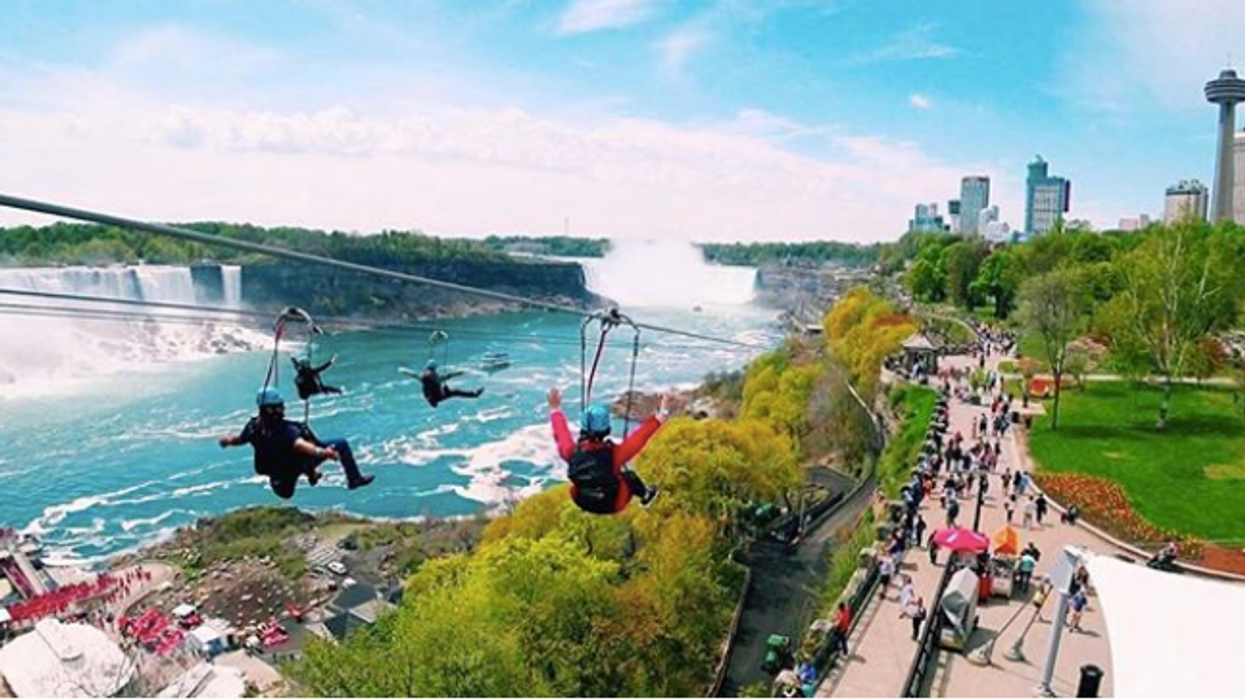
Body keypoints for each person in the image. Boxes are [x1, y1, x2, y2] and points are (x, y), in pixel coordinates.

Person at [219, 388, 374, 498]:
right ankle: (353, 479)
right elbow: (299, 445)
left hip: (275, 470)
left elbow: (240, 439)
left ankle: (310, 473)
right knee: (340, 444)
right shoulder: (286, 429)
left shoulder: (253, 427)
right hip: (294, 465)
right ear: (274, 409)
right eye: (280, 406)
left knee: (287, 488)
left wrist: (227, 441)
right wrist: (323, 452)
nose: (283, 408)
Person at [548, 387, 663, 514]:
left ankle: (589, 504)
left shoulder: (571, 452)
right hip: (613, 504)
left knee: (585, 482)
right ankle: (646, 495)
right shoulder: (615, 454)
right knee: (629, 477)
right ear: (607, 429)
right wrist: (662, 415)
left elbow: (560, 432)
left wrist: (555, 409)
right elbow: (639, 438)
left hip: (582, 500)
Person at [406, 359, 484, 408]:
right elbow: (448, 376)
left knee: (451, 391)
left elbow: (414, 375)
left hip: (432, 397)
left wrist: (404, 371)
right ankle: (474, 394)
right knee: (455, 392)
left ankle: (474, 394)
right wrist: (459, 373)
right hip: (436, 397)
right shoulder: (434, 378)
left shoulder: (424, 377)